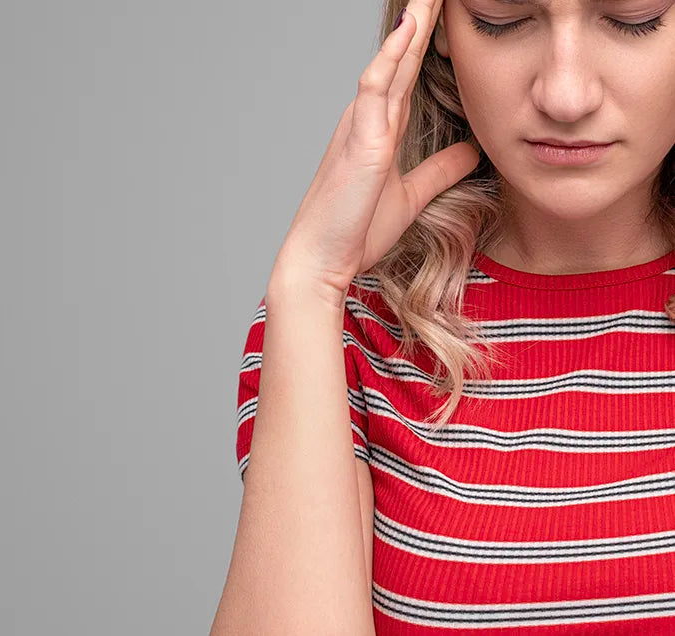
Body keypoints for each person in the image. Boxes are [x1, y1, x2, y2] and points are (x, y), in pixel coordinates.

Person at [209, 0, 675, 632]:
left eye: (634, 17)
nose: (566, 96)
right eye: (503, 18)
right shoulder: (345, 327)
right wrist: (309, 285)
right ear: (436, 26)